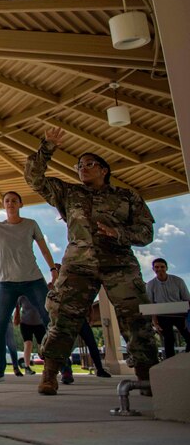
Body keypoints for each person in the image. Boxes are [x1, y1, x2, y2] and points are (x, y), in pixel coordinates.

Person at [26, 128, 158, 396]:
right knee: (63, 316)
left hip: (119, 264)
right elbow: (34, 178)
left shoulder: (127, 197)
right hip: (78, 265)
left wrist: (119, 234)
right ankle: (50, 373)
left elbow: (146, 233)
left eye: (89, 164)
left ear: (104, 170)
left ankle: (146, 375)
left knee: (136, 319)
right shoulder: (69, 193)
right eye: (79, 166)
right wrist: (47, 147)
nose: (83, 169)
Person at [0, 187, 57, 383]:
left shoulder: (31, 224)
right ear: (3, 205)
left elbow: (44, 248)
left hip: (33, 279)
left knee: (50, 320)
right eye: (7, 200)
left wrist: (53, 269)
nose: (10, 203)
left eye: (14, 200)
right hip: (7, 284)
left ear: (21, 204)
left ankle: (61, 366)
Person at [146, 258, 190, 359]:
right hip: (163, 315)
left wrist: (187, 317)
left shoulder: (178, 281)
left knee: (187, 336)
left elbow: (187, 299)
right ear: (153, 269)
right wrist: (155, 322)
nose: (160, 269)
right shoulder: (151, 284)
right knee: (169, 340)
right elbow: (151, 304)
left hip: (180, 314)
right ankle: (170, 362)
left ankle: (186, 357)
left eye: (162, 267)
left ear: (166, 268)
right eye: (157, 267)